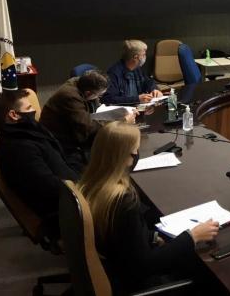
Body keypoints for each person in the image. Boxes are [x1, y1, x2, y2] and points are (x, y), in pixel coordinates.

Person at [78, 122, 219, 293]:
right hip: (136, 283)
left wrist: (152, 236)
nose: (137, 155)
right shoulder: (123, 201)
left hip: (115, 268)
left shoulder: (91, 186)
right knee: (208, 271)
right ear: (124, 157)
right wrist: (193, 236)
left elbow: (124, 237)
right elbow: (145, 265)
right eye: (135, 151)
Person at [0, 89, 79, 238]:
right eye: (29, 108)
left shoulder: (30, 132)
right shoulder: (17, 150)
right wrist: (87, 185)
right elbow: (49, 188)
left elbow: (61, 158)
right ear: (14, 115)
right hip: (68, 212)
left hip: (75, 194)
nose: (34, 111)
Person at [40, 70, 136, 171]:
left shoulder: (82, 83)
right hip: (61, 142)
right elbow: (87, 127)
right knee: (116, 149)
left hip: (74, 131)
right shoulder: (70, 96)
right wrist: (120, 123)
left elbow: (94, 110)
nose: (98, 99)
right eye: (99, 95)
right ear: (88, 93)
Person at [102, 40, 163, 105]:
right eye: (144, 55)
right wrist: (137, 99)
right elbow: (108, 99)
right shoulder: (114, 73)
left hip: (138, 108)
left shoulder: (137, 69)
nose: (145, 57)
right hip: (124, 109)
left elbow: (149, 82)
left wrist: (154, 89)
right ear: (135, 57)